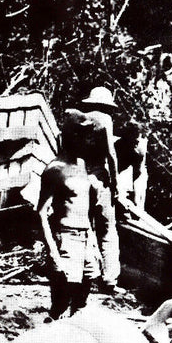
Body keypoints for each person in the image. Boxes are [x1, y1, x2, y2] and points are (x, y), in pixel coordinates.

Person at [37, 110, 105, 320]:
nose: (88, 140)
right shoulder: (55, 169)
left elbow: (87, 209)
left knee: (81, 302)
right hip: (65, 238)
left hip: (85, 238)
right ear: (72, 136)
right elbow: (40, 212)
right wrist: (52, 251)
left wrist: (93, 245)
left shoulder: (83, 166)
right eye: (83, 135)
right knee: (61, 301)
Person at [76, 86, 122, 292]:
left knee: (85, 226)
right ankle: (110, 279)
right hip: (100, 178)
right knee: (107, 229)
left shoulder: (79, 120)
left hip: (81, 177)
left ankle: (90, 273)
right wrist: (116, 184)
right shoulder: (105, 120)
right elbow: (111, 155)